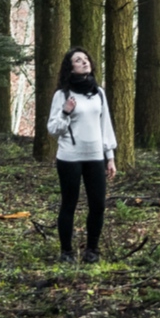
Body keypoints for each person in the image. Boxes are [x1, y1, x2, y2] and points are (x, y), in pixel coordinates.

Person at [46, 47, 118, 263]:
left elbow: (106, 125)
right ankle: (66, 252)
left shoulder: (99, 93)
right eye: (78, 60)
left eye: (86, 59)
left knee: (98, 204)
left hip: (95, 156)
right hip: (69, 157)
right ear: (70, 67)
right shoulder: (62, 95)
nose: (84, 62)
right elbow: (53, 129)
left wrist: (110, 156)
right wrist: (66, 112)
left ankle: (92, 250)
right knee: (69, 203)